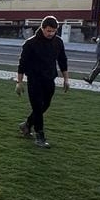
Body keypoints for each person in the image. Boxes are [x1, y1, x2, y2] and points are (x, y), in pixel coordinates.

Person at [15, 15, 70, 148]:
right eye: (48, 30)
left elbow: (62, 60)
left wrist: (66, 79)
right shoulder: (30, 43)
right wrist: (19, 81)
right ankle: (40, 136)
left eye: (53, 31)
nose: (51, 33)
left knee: (45, 105)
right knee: (38, 107)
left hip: (49, 78)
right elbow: (22, 63)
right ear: (42, 28)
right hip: (34, 79)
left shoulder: (58, 42)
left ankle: (27, 124)